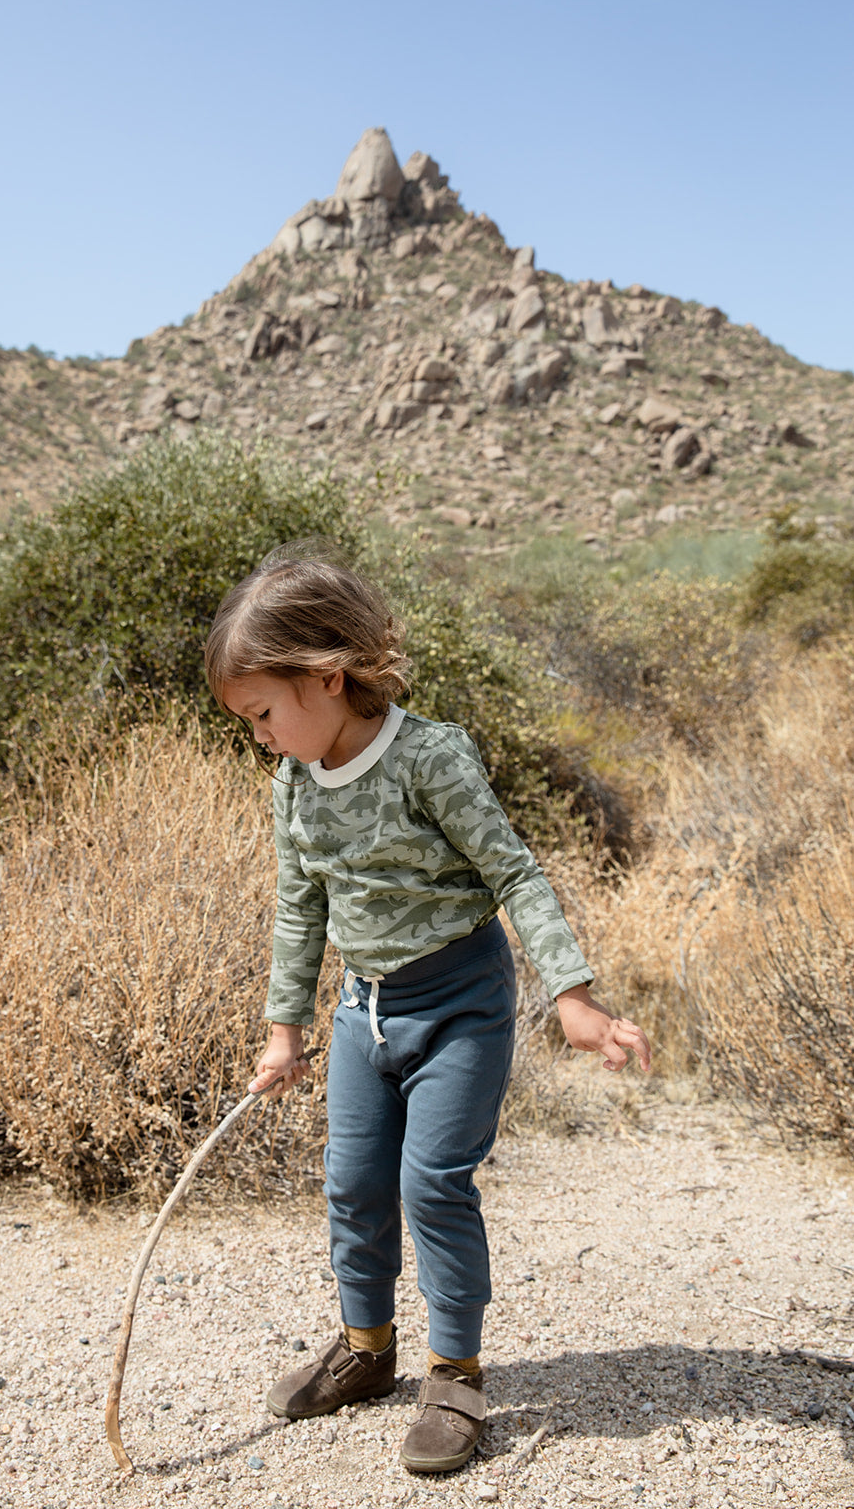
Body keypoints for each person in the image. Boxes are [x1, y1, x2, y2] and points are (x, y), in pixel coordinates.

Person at [204, 549, 650, 1475]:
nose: (259, 736)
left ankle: (455, 1375)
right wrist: (284, 1031)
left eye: (262, 713)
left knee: (431, 1184)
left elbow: (514, 871)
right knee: (353, 1183)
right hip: (363, 1011)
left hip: (460, 1002)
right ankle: (366, 1350)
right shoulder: (291, 784)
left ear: (327, 676)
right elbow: (301, 905)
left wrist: (573, 995)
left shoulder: (427, 758)